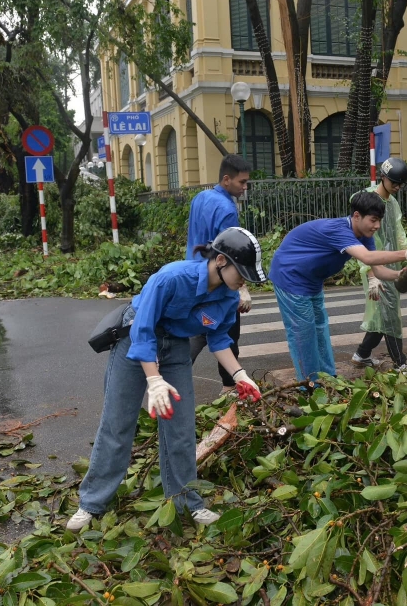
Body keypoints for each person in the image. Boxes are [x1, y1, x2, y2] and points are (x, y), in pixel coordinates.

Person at [66, 227, 268, 532]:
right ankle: (91, 503)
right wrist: (154, 380)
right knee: (118, 423)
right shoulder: (173, 277)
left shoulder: (228, 297)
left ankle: (187, 501)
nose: (243, 281)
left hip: (176, 346)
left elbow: (218, 339)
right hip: (133, 341)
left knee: (182, 428)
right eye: (241, 272)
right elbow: (142, 329)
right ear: (221, 261)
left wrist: (240, 375)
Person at [269, 191, 407, 385]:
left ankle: (329, 380)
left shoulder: (364, 235)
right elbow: (367, 258)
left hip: (312, 280)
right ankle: (309, 385)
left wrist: (400, 274)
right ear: (356, 216)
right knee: (304, 334)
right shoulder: (339, 230)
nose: (377, 226)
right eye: (373, 220)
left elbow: (378, 270)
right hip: (290, 277)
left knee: (320, 328)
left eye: (379, 220)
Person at [187, 155, 253, 395]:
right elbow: (231, 251)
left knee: (199, 327)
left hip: (195, 272)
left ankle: (174, 375)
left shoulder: (201, 197)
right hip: (219, 277)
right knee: (226, 331)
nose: (245, 187)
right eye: (241, 182)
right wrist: (241, 289)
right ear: (226, 179)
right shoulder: (227, 209)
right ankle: (229, 386)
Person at [351, 158, 407, 372]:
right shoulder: (365, 200)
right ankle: (401, 363)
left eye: (401, 184)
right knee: (389, 314)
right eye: (394, 183)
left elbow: (398, 232)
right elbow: (360, 241)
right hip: (374, 267)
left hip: (391, 264)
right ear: (383, 177)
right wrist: (371, 274)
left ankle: (361, 354)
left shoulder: (393, 202)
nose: (397, 187)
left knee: (384, 313)